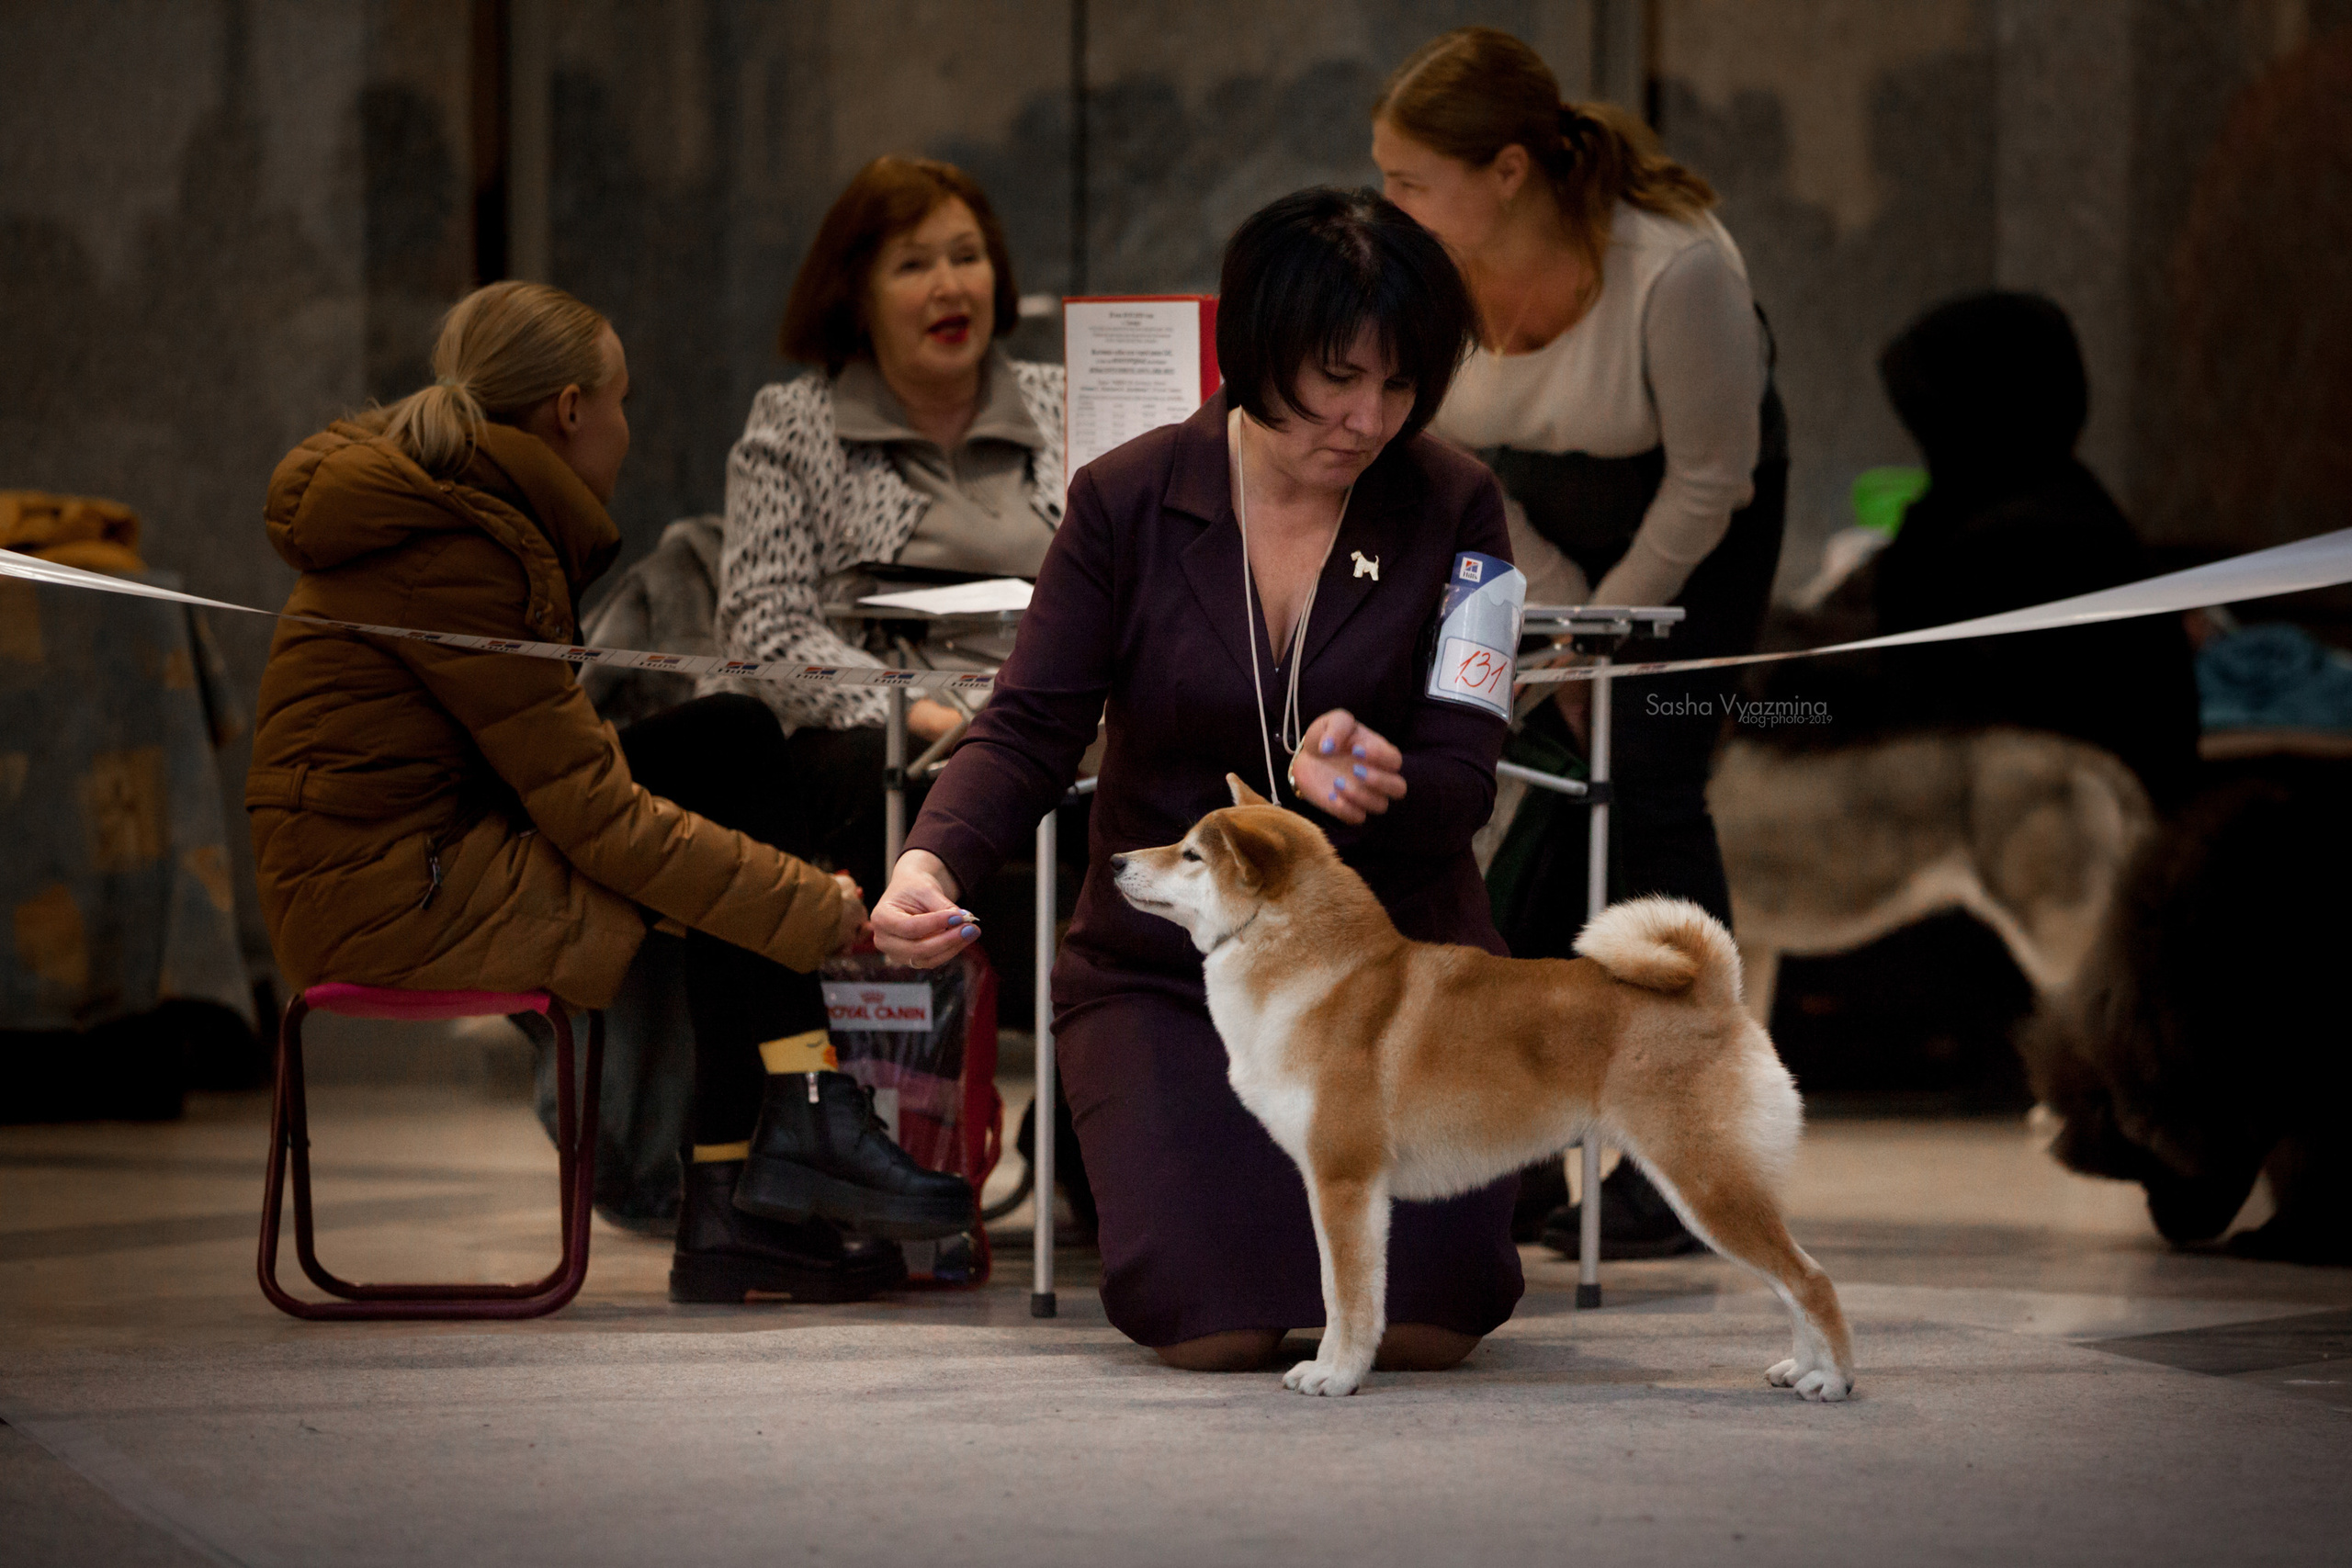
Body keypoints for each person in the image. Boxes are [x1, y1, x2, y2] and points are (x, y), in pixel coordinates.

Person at [872, 188, 1524, 1371]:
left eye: (1400, 385)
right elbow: (1027, 725)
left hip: (1399, 975)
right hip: (1168, 974)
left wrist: (1392, 782)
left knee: (1433, 1318)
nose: (1367, 419)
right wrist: (931, 858)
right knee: (1212, 1326)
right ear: (1255, 353)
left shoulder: (1460, 501)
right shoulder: (1125, 498)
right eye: (1337, 379)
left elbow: (1466, 776)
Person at [245, 280, 970, 1306]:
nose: (630, 427)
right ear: (571, 411)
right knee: (715, 821)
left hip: (422, 851)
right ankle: (777, 1142)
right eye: (623, 400)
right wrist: (817, 908)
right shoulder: (455, 547)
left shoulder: (453, 512)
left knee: (729, 742)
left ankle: (758, 1165)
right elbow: (594, 815)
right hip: (395, 896)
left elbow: (561, 774)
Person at [1372, 26, 1787, 1258]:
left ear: (1507, 171)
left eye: (1409, 181)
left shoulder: (1677, 269)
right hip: (1522, 532)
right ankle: (1522, 1127)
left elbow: (1713, 480)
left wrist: (1609, 651)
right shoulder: (1428, 280)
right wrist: (1551, 647)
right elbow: (1457, 473)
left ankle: (1695, 1137)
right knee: (1531, 778)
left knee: (1645, 781)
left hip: (1691, 522)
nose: (1388, 206)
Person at [713, 156, 1067, 900]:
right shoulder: (794, 425)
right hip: (885, 739)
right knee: (882, 775)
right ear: (855, 294)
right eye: (913, 265)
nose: (950, 286)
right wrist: (921, 713)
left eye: (968, 258)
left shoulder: (1067, 402)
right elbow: (761, 627)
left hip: (1060, 719)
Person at [1869, 290, 2199, 809]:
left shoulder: (2028, 550)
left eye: (1932, 417)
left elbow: (1937, 741)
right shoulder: (2042, 503)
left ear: (1980, 413)